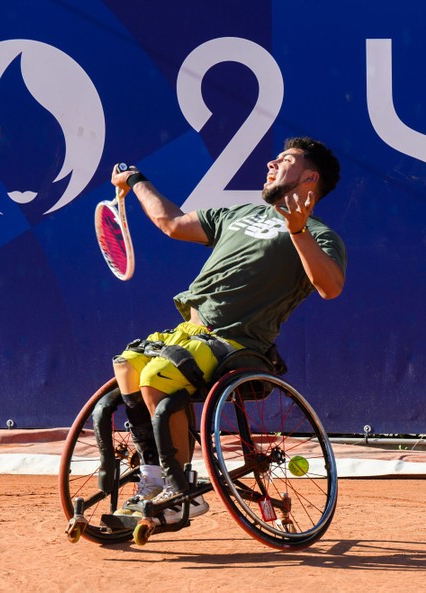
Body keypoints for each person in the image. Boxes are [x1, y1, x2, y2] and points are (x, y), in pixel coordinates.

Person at [103, 137, 346, 521]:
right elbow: (171, 223)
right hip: (188, 335)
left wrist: (298, 231)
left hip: (238, 345)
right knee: (128, 366)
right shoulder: (236, 214)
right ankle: (152, 480)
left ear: (309, 177)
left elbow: (330, 287)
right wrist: (136, 181)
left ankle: (182, 493)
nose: (271, 163)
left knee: (157, 377)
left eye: (284, 160)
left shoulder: (319, 234)